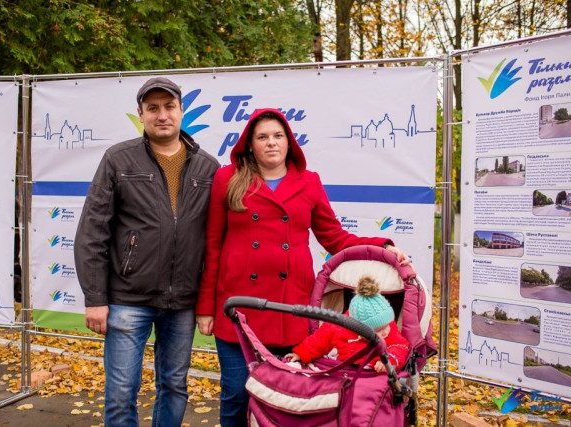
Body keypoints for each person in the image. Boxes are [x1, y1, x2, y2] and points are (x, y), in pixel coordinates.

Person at [195, 108, 411, 426]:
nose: (271, 142)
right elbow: (213, 246)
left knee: (287, 398)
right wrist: (205, 308)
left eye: (278, 136)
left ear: (289, 142)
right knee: (236, 395)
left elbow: (335, 238)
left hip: (289, 309)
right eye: (262, 137)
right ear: (250, 144)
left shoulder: (308, 182)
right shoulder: (227, 178)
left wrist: (382, 245)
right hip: (240, 308)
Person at [74, 77, 219, 427]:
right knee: (121, 391)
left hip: (183, 300)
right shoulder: (118, 159)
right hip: (128, 298)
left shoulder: (209, 167)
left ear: (181, 111)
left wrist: (208, 300)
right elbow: (92, 232)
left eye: (169, 107)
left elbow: (216, 239)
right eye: (152, 108)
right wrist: (95, 298)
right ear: (141, 115)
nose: (162, 115)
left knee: (175, 386)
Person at [285, 276, 410, 373]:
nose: (386, 332)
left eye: (387, 326)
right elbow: (318, 341)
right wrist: (301, 353)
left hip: (372, 373)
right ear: (358, 328)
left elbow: (400, 346)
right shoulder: (337, 328)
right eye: (379, 330)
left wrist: (387, 360)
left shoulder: (388, 326)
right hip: (343, 371)